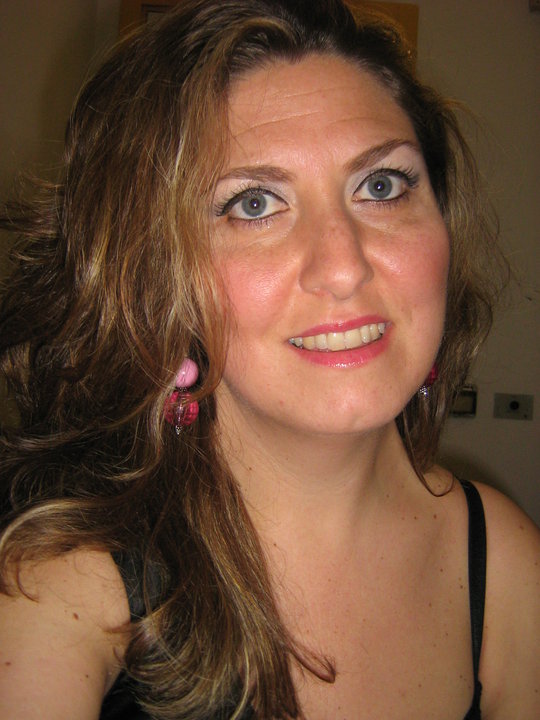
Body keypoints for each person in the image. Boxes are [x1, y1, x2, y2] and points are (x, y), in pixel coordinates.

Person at [0, 1, 538, 718]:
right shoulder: (60, 591)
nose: (343, 266)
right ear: (156, 277)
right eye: (253, 204)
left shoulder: (506, 564)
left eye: (381, 186)